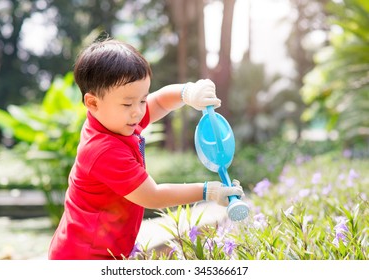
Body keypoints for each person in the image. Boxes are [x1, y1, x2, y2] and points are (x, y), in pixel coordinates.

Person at [48, 37, 244, 260]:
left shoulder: (116, 120)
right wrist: (208, 191)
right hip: (83, 257)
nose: (139, 112)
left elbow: (159, 102)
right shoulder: (103, 150)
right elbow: (153, 196)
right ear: (92, 103)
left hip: (103, 250)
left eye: (142, 100)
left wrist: (188, 92)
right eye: (128, 103)